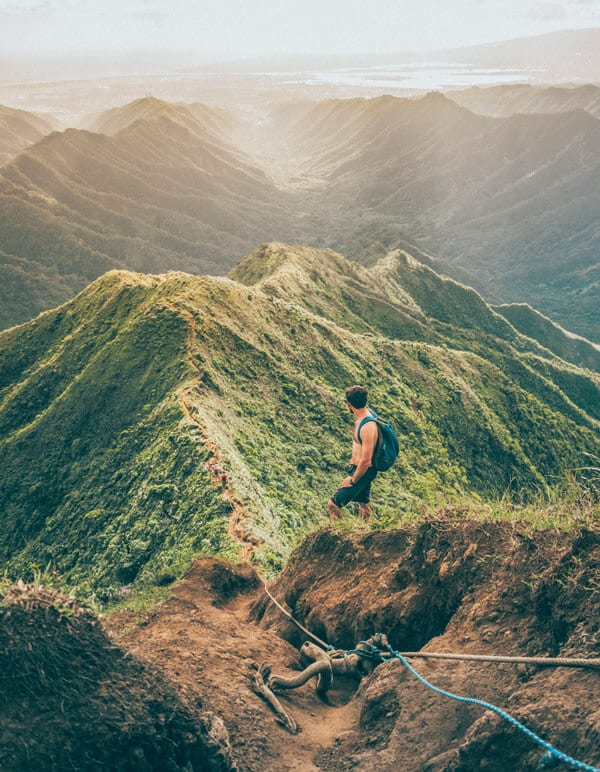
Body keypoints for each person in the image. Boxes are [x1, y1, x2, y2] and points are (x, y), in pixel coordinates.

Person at [328, 385, 378, 521]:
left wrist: (353, 479)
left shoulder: (368, 426)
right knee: (364, 504)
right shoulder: (365, 417)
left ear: (349, 404)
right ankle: (367, 532)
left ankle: (338, 534)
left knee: (333, 504)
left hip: (363, 470)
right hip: (361, 469)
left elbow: (366, 460)